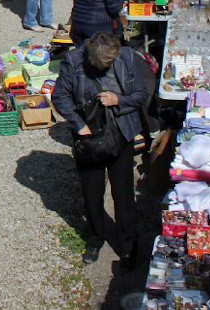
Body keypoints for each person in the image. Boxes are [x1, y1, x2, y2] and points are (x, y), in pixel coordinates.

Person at [52, 31, 148, 270]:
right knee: (92, 192)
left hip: (121, 132)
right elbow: (60, 96)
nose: (106, 68)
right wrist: (79, 125)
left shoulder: (127, 57)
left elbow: (141, 95)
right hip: (90, 137)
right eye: (101, 65)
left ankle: (128, 242)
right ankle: (96, 237)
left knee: (123, 192)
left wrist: (118, 100)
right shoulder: (74, 60)